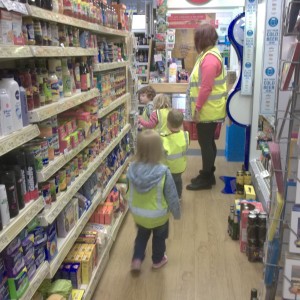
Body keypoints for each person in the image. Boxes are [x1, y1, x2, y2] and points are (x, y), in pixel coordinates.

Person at [126, 129, 181, 272]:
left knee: (141, 236)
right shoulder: (163, 171)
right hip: (158, 215)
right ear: (159, 150)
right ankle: (158, 260)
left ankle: (137, 259)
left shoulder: (131, 169)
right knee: (159, 238)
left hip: (138, 214)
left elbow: (128, 190)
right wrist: (176, 213)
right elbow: (172, 196)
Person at [185, 23, 227, 191]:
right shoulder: (209, 55)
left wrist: (198, 109)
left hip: (207, 110)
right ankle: (208, 174)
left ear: (201, 39)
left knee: (205, 143)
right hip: (210, 109)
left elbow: (206, 87)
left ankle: (206, 177)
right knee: (208, 142)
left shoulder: (209, 59)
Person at [161, 109, 189, 200]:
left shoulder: (164, 138)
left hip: (169, 168)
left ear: (168, 123)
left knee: (168, 182)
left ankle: (169, 198)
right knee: (178, 181)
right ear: (181, 123)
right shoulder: (185, 135)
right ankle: (179, 196)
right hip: (181, 166)